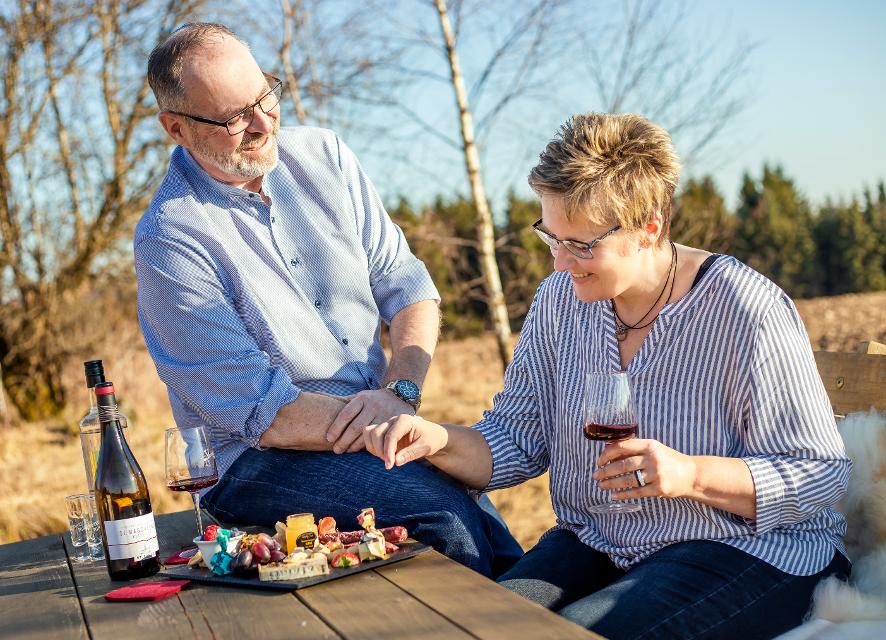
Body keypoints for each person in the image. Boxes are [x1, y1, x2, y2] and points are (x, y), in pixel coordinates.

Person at [363, 112, 852, 638]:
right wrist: (437, 439)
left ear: (650, 229)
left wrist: (690, 475)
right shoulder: (559, 302)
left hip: (744, 547)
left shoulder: (745, 308)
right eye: (551, 238)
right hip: (598, 538)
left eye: (581, 245)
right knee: (482, 627)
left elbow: (821, 471)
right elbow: (517, 438)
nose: (560, 263)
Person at [134, 22, 521, 577]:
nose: (264, 124)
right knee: (440, 513)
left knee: (475, 511)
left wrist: (400, 391)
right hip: (259, 462)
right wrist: (383, 424)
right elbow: (263, 411)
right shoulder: (170, 238)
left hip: (371, 420)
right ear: (176, 127)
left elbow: (406, 285)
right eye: (233, 118)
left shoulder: (325, 156)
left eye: (265, 95)